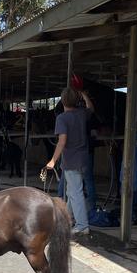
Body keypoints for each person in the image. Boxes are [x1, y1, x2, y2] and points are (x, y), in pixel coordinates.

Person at [46, 87, 94, 237]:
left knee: (76, 192)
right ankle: (67, 219)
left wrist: (53, 160)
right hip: (84, 159)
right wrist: (85, 95)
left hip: (71, 160)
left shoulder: (62, 118)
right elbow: (91, 108)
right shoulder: (81, 114)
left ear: (62, 101)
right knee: (72, 191)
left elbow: (62, 141)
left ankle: (82, 225)